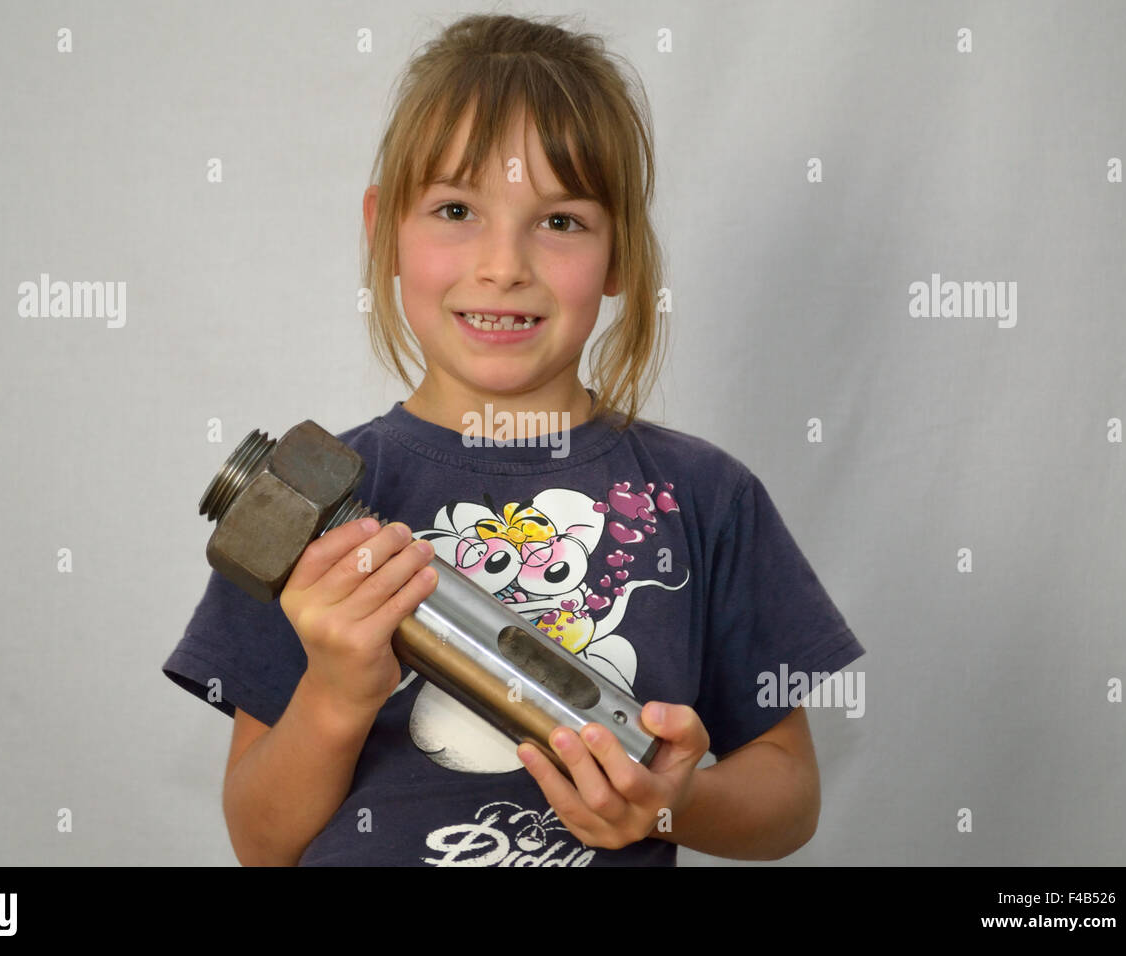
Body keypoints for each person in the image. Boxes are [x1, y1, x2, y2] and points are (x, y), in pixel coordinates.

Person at [163, 12, 865, 867]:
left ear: (621, 256)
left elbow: (788, 801)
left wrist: (672, 806)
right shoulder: (313, 533)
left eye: (560, 221)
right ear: (385, 229)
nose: (503, 265)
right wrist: (336, 697)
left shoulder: (705, 498)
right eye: (456, 209)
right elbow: (261, 843)